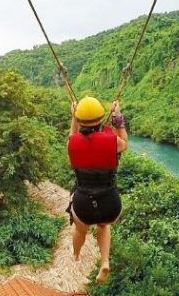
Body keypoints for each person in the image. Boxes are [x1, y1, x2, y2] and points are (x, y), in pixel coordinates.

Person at [66, 96, 128, 284]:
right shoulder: (113, 142)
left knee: (80, 229)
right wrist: (117, 117)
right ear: (101, 120)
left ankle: (76, 253)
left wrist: (73, 118)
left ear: (80, 121)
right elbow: (124, 142)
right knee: (104, 225)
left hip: (84, 202)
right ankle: (105, 261)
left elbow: (72, 138)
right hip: (110, 203)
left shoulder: (71, 144)